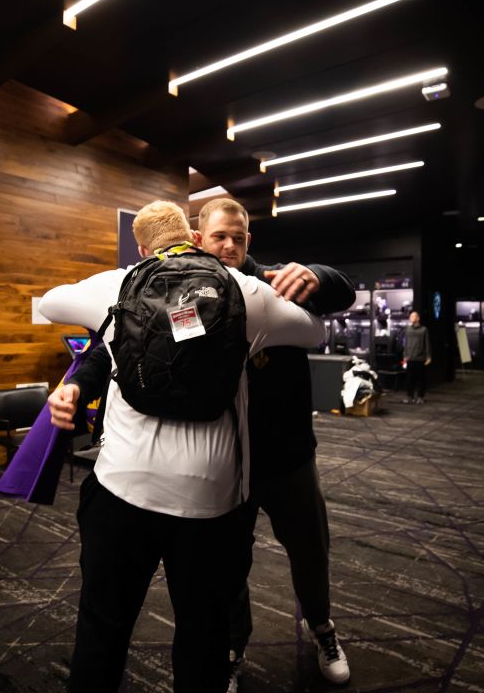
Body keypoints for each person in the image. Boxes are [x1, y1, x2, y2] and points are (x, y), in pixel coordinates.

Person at [50, 197, 357, 690]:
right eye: (219, 237)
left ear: (250, 240)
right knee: (215, 600)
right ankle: (231, 652)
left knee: (307, 550)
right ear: (197, 238)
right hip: (220, 476)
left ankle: (321, 629)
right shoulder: (211, 294)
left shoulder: (265, 285)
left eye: (239, 237)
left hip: (280, 456)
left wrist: (319, 275)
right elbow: (114, 348)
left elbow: (340, 299)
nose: (230, 244)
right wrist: (79, 386)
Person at [401, 311, 432, 404]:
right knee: (409, 380)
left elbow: (427, 343)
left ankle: (420, 397)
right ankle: (410, 397)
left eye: (413, 316)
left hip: (420, 359)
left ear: (418, 318)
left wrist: (428, 356)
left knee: (421, 380)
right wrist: (405, 356)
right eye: (410, 316)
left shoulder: (424, 330)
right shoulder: (407, 329)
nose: (411, 317)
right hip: (409, 358)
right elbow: (405, 344)